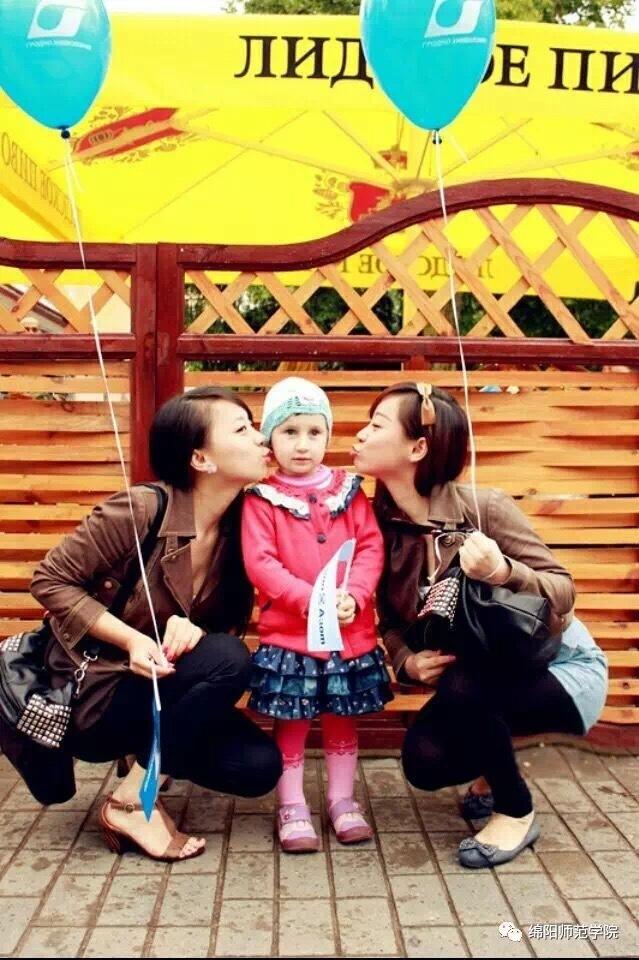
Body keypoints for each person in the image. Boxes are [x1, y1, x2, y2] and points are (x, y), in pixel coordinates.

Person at [352, 382, 608, 868]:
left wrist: (502, 571)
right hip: (483, 680)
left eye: (376, 425)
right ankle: (492, 773)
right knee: (424, 761)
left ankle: (515, 811)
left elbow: (564, 590)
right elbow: (389, 620)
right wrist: (406, 661)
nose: (360, 435)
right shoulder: (383, 529)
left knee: (464, 685)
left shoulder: (483, 507)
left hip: (563, 670)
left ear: (418, 447)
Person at [30, 386, 282, 863]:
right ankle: (131, 803)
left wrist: (197, 633)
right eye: (242, 429)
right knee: (229, 659)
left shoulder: (244, 526)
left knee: (257, 767)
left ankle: (142, 762)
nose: (260, 437)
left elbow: (223, 625)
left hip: (160, 689)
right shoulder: (141, 509)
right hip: (96, 695)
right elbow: (49, 580)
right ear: (201, 459)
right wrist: (130, 641)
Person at [241, 377, 392, 853]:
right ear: (270, 438)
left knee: (342, 717)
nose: (302, 444)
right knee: (293, 720)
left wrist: (357, 594)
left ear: (328, 435)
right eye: (289, 432)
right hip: (293, 637)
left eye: (313, 432)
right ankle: (291, 804)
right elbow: (261, 563)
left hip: (349, 632)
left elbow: (370, 547)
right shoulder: (261, 499)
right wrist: (312, 599)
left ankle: (342, 800)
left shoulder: (349, 491)